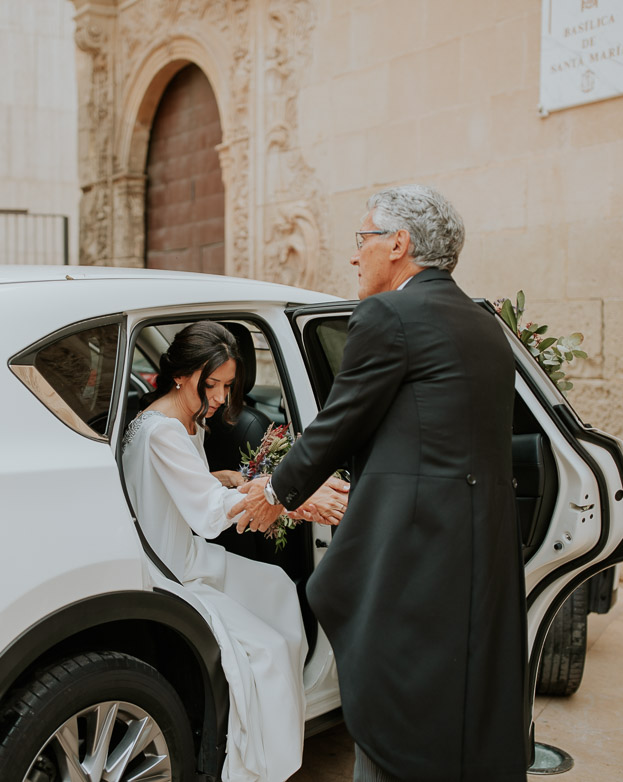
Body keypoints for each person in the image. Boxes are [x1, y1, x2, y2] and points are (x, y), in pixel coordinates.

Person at [231, 185, 528, 781]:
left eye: (362, 238)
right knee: (462, 706)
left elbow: (339, 423)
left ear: (400, 244)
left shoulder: (388, 314)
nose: (353, 255)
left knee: (400, 713)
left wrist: (273, 493)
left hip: (412, 558)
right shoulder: (484, 325)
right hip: (481, 558)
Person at [120, 321, 343, 782]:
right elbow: (207, 514)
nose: (221, 397)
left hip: (187, 552)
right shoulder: (163, 432)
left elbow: (184, 487)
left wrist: (222, 476)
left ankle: (278, 734)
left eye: (227, 385)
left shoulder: (180, 419)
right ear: (182, 375)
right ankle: (257, 767)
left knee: (280, 587)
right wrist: (284, 495)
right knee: (268, 649)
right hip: (173, 569)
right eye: (213, 384)